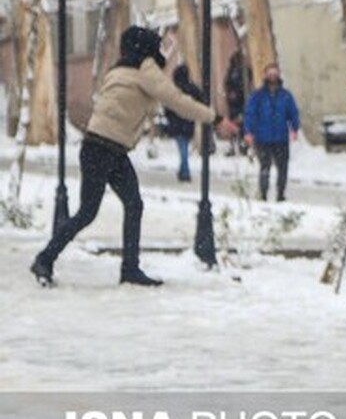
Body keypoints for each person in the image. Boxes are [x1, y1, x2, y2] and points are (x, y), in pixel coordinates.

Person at [29, 26, 235, 287]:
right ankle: (45, 259)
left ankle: (130, 269)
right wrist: (214, 118)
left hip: (105, 148)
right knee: (88, 212)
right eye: (157, 47)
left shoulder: (119, 69)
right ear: (147, 48)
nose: (161, 52)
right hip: (104, 148)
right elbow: (176, 100)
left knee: (131, 205)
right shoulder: (145, 68)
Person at [242, 63, 300, 202]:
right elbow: (250, 114)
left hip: (281, 137)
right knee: (264, 167)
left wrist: (294, 128)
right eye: (270, 74)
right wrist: (248, 131)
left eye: (275, 74)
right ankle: (263, 193)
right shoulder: (258, 96)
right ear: (265, 76)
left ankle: (281, 194)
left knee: (283, 168)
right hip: (263, 137)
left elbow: (293, 113)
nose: (273, 77)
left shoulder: (286, 96)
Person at [163, 65, 204, 182]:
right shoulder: (192, 89)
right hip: (188, 122)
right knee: (183, 147)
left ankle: (185, 171)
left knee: (182, 148)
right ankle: (183, 170)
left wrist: (169, 118)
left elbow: (168, 107)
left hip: (176, 123)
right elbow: (201, 100)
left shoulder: (174, 89)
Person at [224, 51, 247, 155]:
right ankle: (236, 146)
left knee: (240, 125)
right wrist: (230, 93)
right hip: (235, 103)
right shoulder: (233, 71)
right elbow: (227, 84)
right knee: (236, 125)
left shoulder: (242, 72)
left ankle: (241, 146)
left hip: (240, 102)